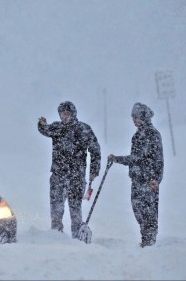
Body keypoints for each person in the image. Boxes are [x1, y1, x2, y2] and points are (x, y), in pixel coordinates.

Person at [38, 101, 101, 238]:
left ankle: (76, 235)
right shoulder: (57, 128)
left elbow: (95, 150)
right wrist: (41, 124)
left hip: (76, 176)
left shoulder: (83, 129)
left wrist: (94, 169)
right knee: (56, 206)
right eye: (62, 114)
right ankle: (56, 234)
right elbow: (45, 130)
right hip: (58, 175)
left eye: (67, 114)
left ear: (73, 114)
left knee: (75, 208)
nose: (64, 117)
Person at [108, 102, 164, 248]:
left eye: (137, 117)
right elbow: (135, 158)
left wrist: (156, 179)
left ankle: (149, 241)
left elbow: (159, 159)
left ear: (144, 117)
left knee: (149, 212)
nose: (135, 120)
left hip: (149, 180)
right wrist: (117, 159)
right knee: (138, 209)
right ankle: (146, 237)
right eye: (133, 117)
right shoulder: (137, 136)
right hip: (137, 180)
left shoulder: (153, 135)